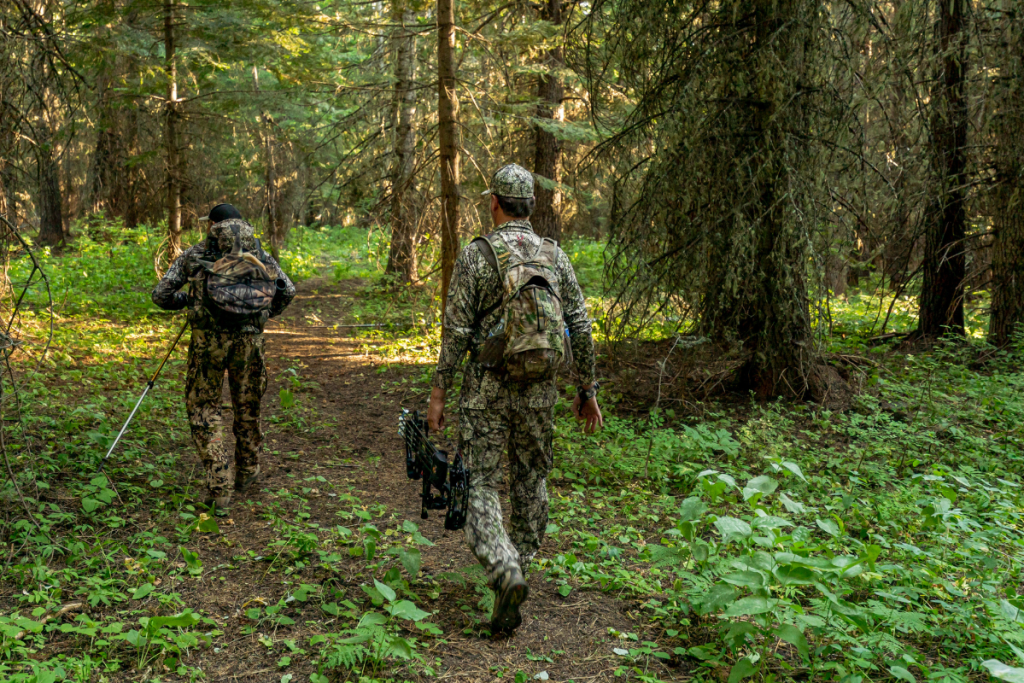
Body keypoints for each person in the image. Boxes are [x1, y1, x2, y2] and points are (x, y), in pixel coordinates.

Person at [427, 164, 603, 634]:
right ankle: (519, 563)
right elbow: (581, 327)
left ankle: (504, 569)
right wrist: (586, 390)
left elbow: (457, 330)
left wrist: (439, 391)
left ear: (495, 204)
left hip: (487, 388)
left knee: (480, 482)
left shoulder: (477, 255)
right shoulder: (554, 256)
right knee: (532, 479)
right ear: (532, 206)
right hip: (540, 392)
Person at [152, 203, 295, 509]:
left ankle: (220, 485)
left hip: (209, 343)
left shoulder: (196, 253)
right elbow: (288, 290)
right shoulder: (259, 253)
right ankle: (247, 471)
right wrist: (264, 312)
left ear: (213, 226)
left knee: (204, 407)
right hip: (250, 342)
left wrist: (188, 301)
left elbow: (160, 294)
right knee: (248, 404)